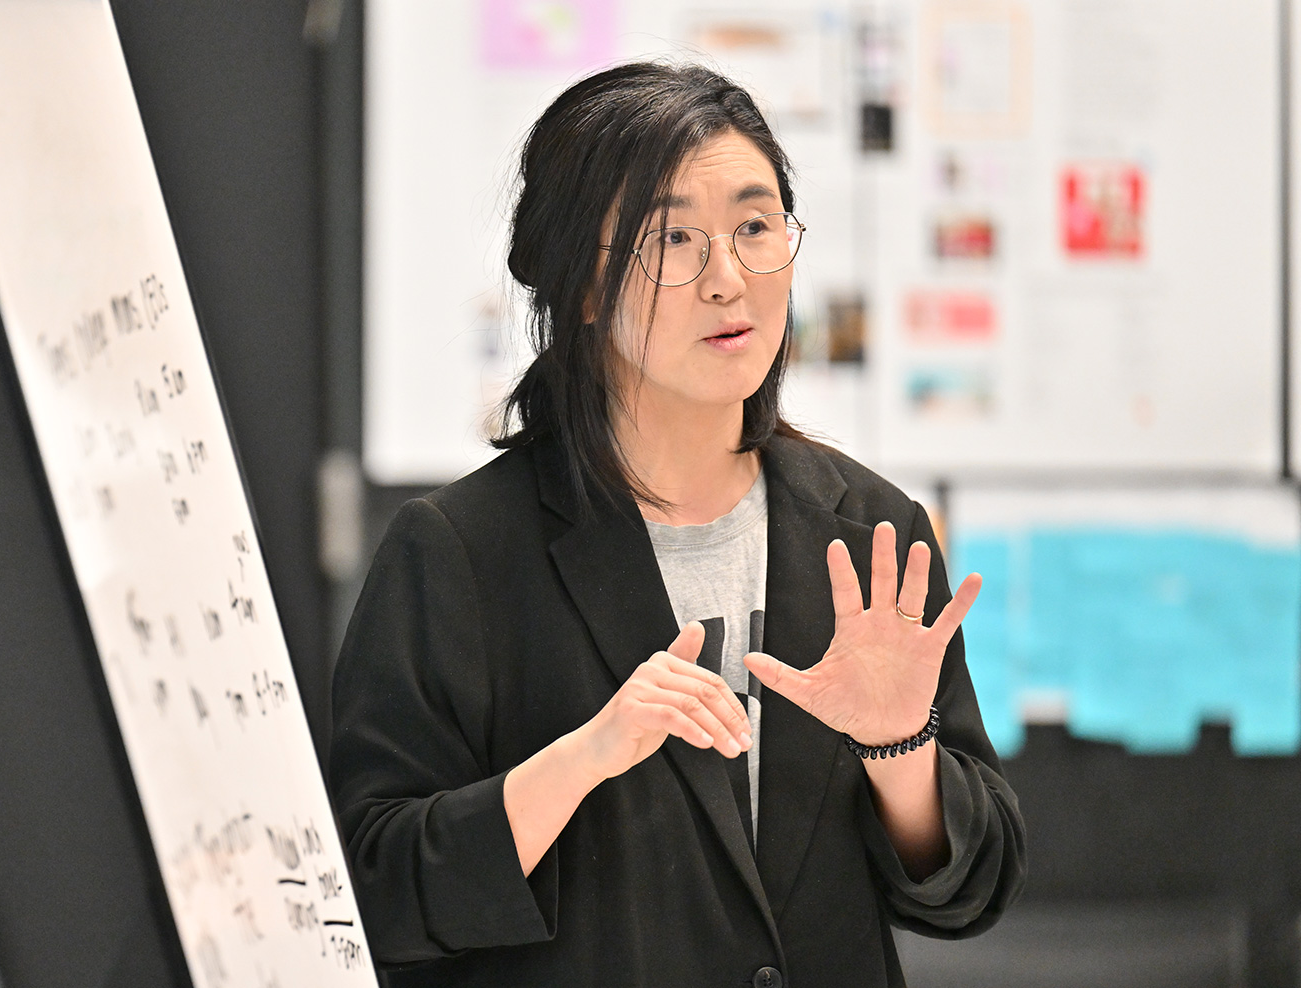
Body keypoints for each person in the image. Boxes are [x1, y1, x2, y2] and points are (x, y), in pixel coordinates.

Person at [328, 62, 1025, 987]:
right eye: (673, 240)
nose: (728, 280)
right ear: (583, 284)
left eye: (755, 227)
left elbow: (971, 892)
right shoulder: (460, 552)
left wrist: (901, 752)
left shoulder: (871, 534)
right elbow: (370, 890)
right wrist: (585, 757)